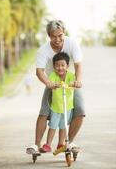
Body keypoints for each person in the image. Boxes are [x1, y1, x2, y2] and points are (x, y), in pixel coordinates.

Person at [26, 19, 85, 154]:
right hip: (52, 82)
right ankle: (37, 144)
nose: (57, 39)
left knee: (80, 110)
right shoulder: (43, 50)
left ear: (64, 33)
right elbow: (39, 71)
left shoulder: (72, 43)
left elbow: (78, 64)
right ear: (49, 36)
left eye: (60, 35)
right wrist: (48, 83)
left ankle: (68, 142)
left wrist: (78, 81)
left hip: (70, 83)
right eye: (54, 36)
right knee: (44, 111)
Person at [41, 52, 75, 152]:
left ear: (67, 66)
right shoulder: (53, 75)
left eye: (62, 65)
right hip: (55, 107)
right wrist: (52, 84)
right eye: (57, 65)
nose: (60, 68)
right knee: (52, 126)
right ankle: (48, 144)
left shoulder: (70, 75)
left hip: (67, 107)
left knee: (63, 126)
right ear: (54, 66)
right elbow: (50, 82)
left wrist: (73, 83)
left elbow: (73, 83)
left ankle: (60, 144)